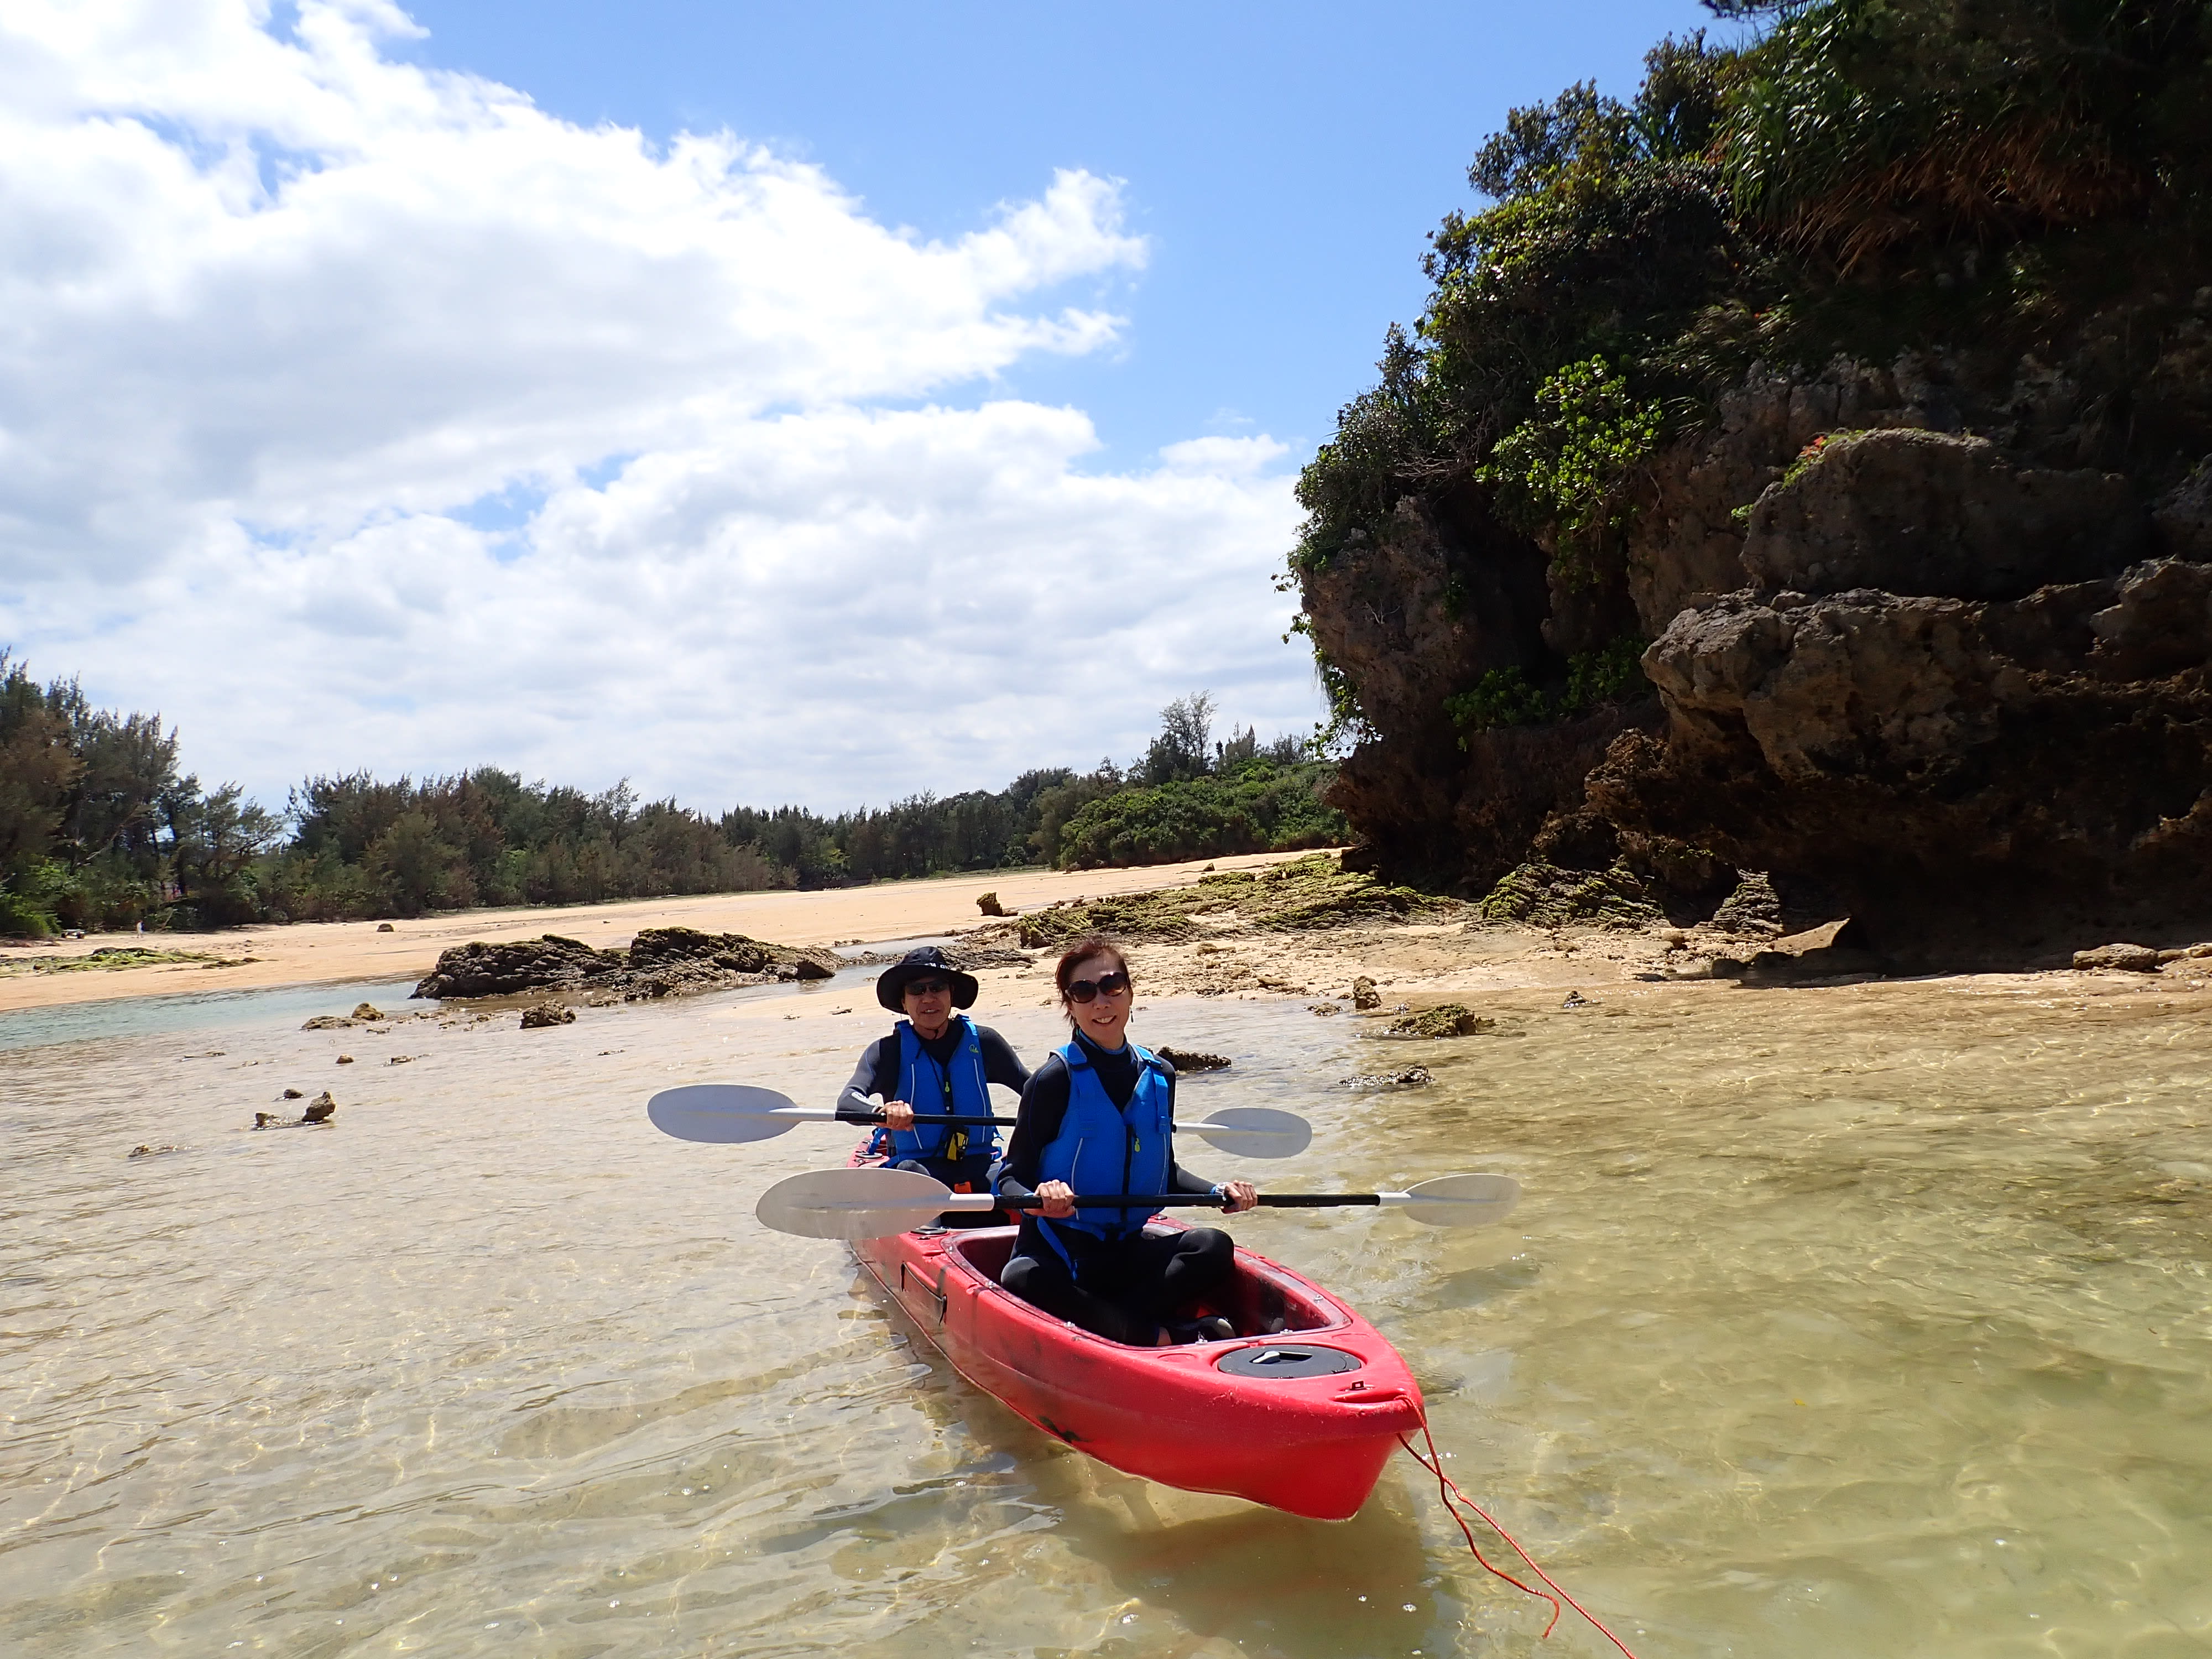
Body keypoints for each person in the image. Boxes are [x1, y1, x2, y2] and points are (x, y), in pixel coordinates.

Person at [993, 935, 1257, 1347]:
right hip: (1063, 1253)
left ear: (1130, 993)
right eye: (1084, 991)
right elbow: (1008, 1179)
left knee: (1213, 1245)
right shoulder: (1053, 1080)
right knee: (1021, 1277)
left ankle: (1120, 1325)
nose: (1101, 1001)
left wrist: (1217, 1191)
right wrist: (1038, 1194)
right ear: (1070, 1005)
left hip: (1126, 1251)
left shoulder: (1161, 1075)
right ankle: (1156, 1335)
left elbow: (1164, 1176)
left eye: (1112, 986)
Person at [834, 946, 1030, 1194]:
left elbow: (1037, 1093)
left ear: (951, 995)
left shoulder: (986, 1042)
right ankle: (930, 1227)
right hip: (916, 1170)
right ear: (904, 1002)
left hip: (982, 1165)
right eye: (917, 990)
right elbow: (847, 1102)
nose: (928, 999)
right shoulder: (886, 1052)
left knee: (1019, 1187)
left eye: (938, 988)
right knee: (915, 1178)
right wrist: (880, 1112)